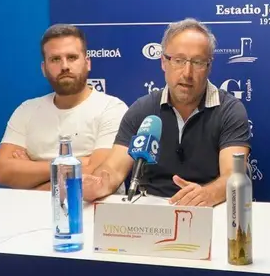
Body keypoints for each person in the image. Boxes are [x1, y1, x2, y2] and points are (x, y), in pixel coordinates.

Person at [82, 18, 250, 206]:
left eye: (198, 62)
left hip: (209, 209)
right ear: (163, 62)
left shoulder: (229, 110)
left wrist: (208, 194)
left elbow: (233, 175)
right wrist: (98, 184)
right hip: (150, 211)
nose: (187, 73)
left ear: (209, 67)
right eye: (178, 60)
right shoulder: (142, 110)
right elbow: (114, 170)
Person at [0, 24, 128, 190]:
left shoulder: (112, 108)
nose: (64, 66)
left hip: (93, 212)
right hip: (29, 212)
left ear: (87, 63)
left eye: (72, 57)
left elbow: (96, 177)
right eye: (55, 59)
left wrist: (32, 176)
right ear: (44, 68)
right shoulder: (27, 110)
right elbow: (2, 172)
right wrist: (78, 164)